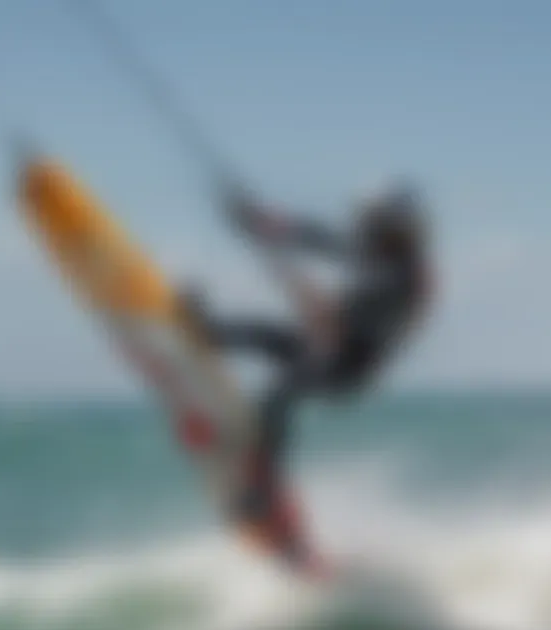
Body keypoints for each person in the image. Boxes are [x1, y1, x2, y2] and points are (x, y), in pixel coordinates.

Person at [182, 182, 435, 575]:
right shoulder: (379, 254)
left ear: (397, 230)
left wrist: (313, 299)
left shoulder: (405, 278)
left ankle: (263, 490)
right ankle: (202, 331)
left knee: (279, 393)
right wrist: (261, 222)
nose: (364, 230)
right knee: (263, 334)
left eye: (373, 225)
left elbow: (343, 312)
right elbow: (321, 239)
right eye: (367, 224)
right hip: (329, 346)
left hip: (349, 367)